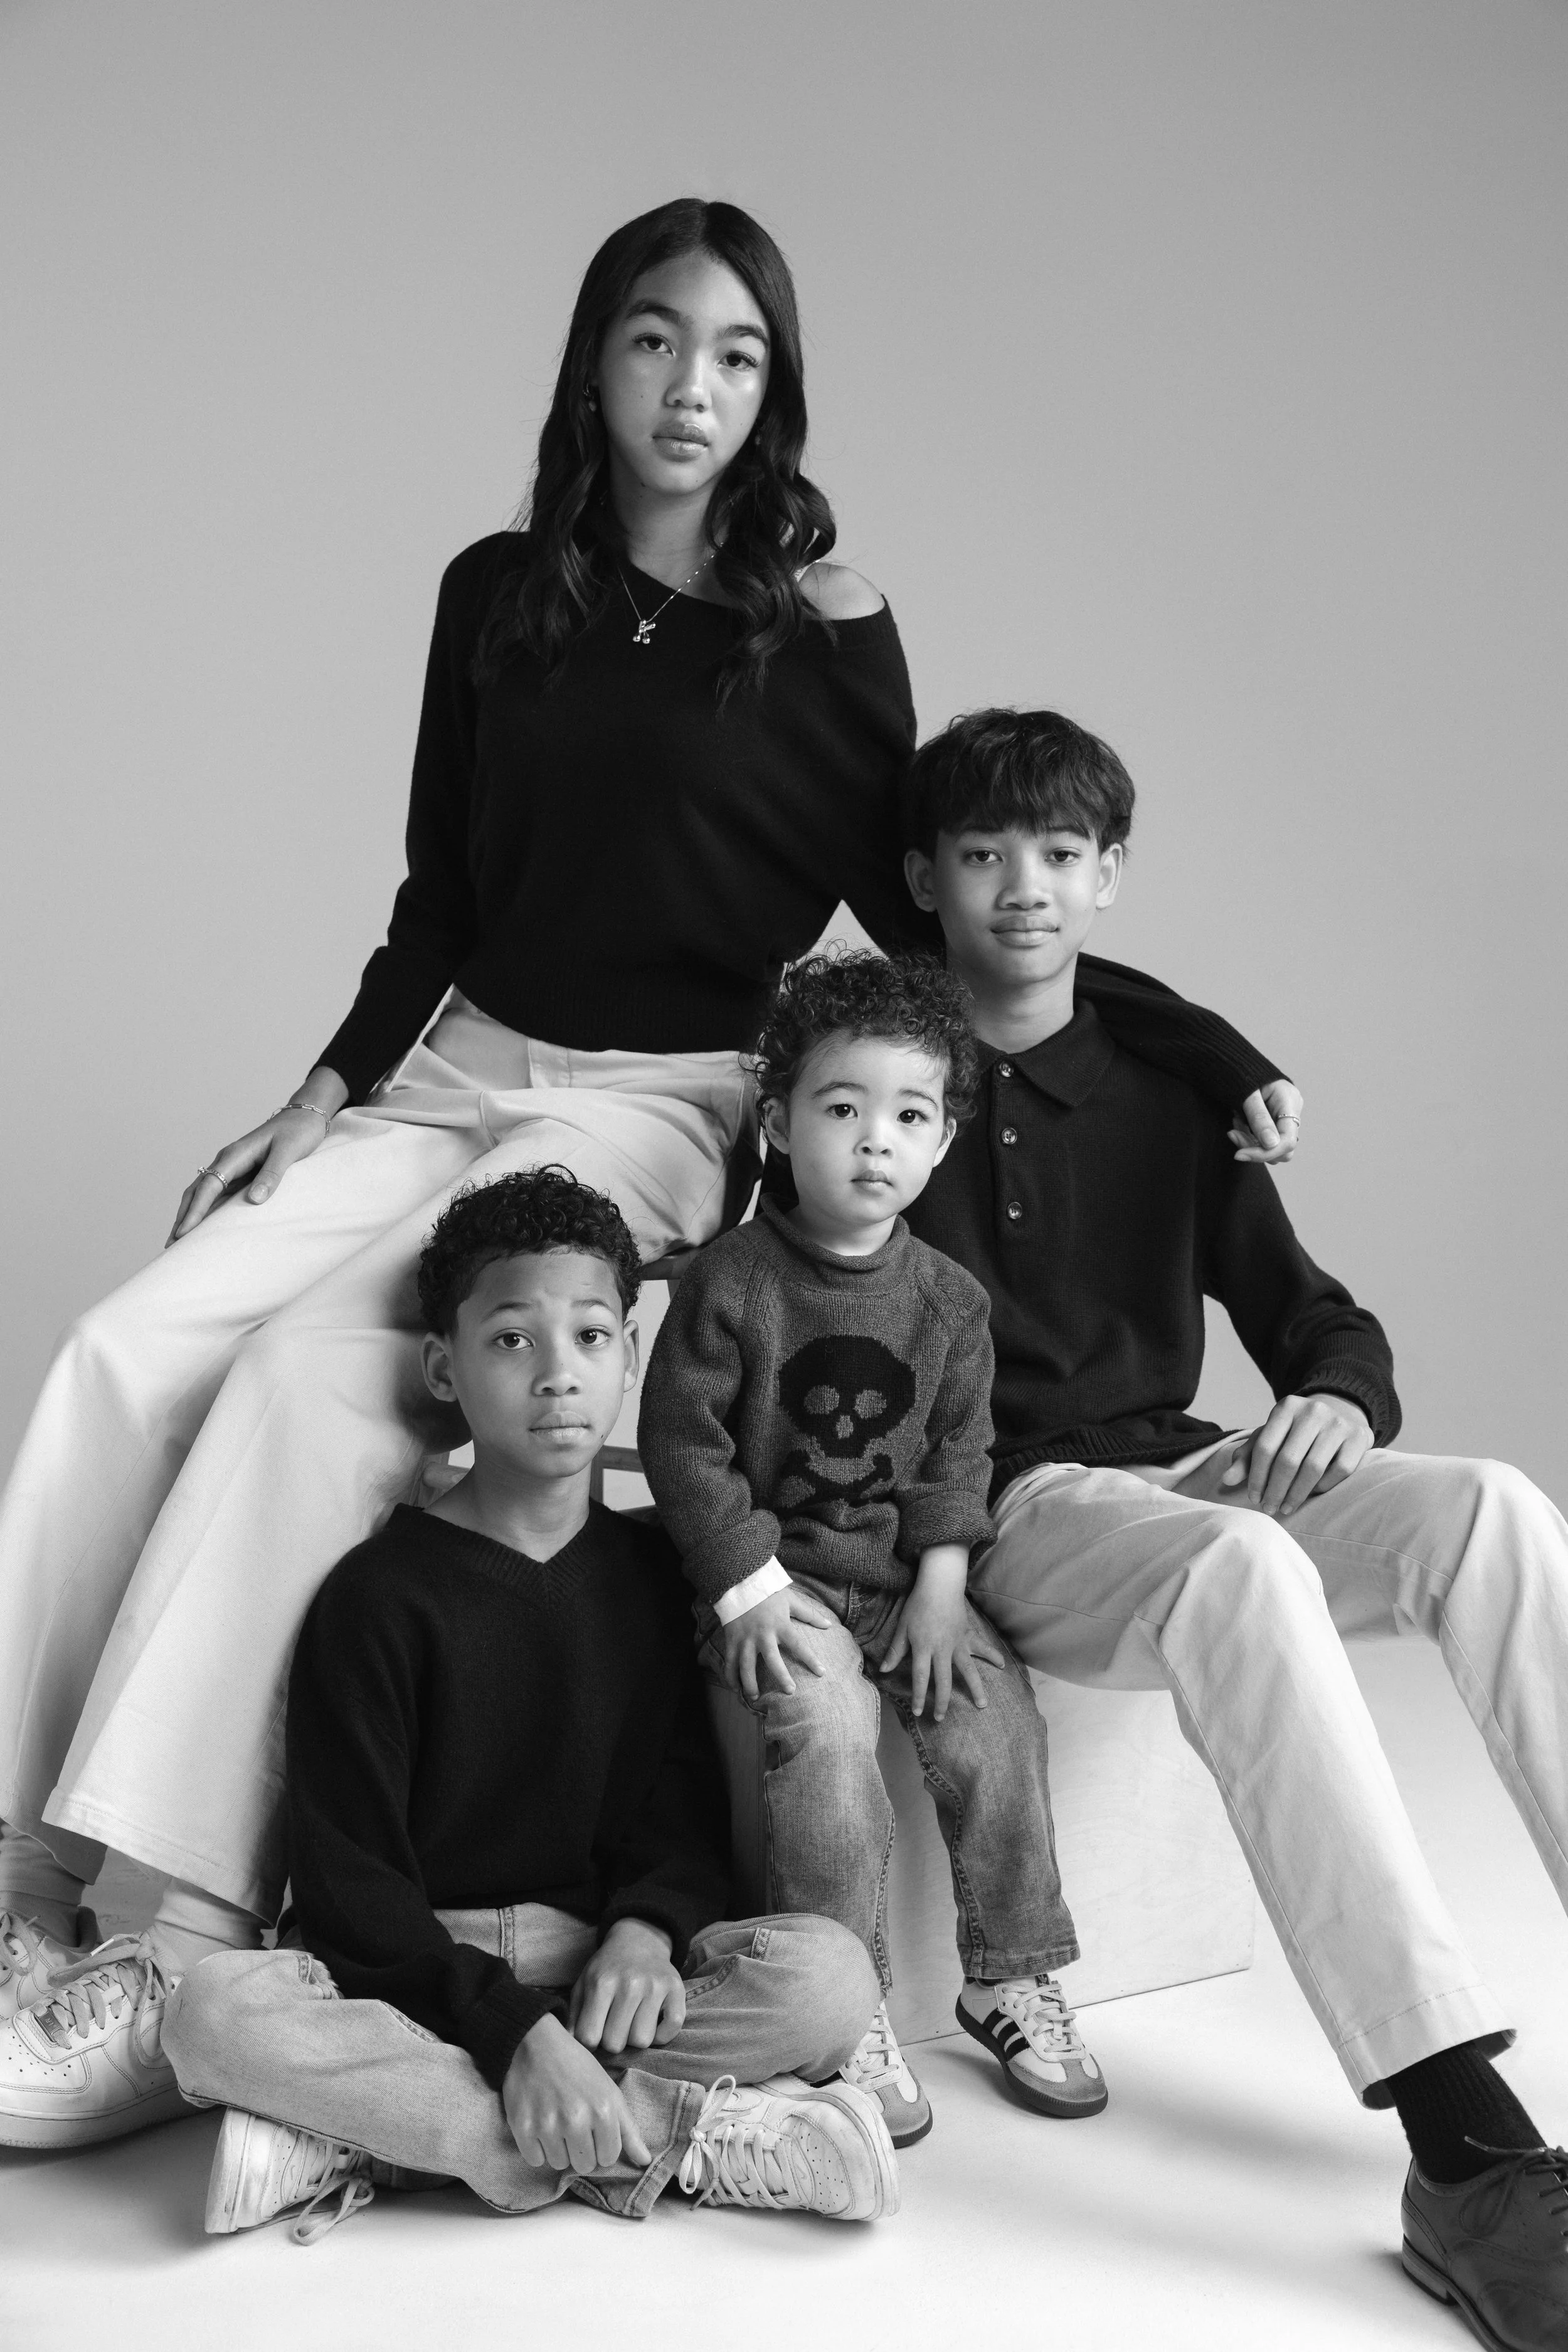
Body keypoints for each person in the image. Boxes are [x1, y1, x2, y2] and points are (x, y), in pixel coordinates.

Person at [0, 196, 1296, 2126]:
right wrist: (327, 1088)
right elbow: (441, 893)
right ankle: (24, 1883)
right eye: (654, 339)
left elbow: (946, 924)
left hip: (660, 1096)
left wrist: (1200, 1044)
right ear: (593, 361)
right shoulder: (495, 591)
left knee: (302, 1379)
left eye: (737, 354)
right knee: (117, 1349)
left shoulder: (822, 629)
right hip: (458, 1064)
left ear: (775, 392)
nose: (692, 386)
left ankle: (168, 1939)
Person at [894, 705, 1568, 2351]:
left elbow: (1314, 1312)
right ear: (920, 879)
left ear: (1108, 877)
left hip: (1183, 1470)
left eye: (1060, 855)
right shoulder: (876, 1081)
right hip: (1012, 1503)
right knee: (1241, 1561)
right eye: (982, 855)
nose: (1023, 888)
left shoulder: (1164, 1095)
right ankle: (1464, 2145)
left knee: (1489, 1507)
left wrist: (1335, 1394)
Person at [8, 1170, 898, 2232]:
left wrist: (646, 1932)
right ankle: (677, 2138)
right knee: (213, 2013)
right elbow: (349, 1889)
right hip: (410, 1975)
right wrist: (513, 2035)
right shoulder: (374, 1595)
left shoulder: (657, 1575)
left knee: (831, 1977)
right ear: (445, 1366)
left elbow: (676, 1807)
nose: (558, 1373)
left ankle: (377, 2138)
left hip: (590, 1969)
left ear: (630, 1353)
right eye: (512, 1339)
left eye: (591, 1336)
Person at [639, 951, 1104, 2151]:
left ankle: (1010, 1969)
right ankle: (844, 2005)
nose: (873, 1142)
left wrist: (945, 1588)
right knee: (830, 1729)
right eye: (842, 1108)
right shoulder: (732, 1282)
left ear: (943, 1140)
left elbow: (959, 1454)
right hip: (774, 1586)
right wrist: (747, 1588)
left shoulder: (949, 1301)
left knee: (993, 1715)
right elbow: (685, 1447)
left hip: (903, 1584)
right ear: (781, 1119)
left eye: (908, 1116)